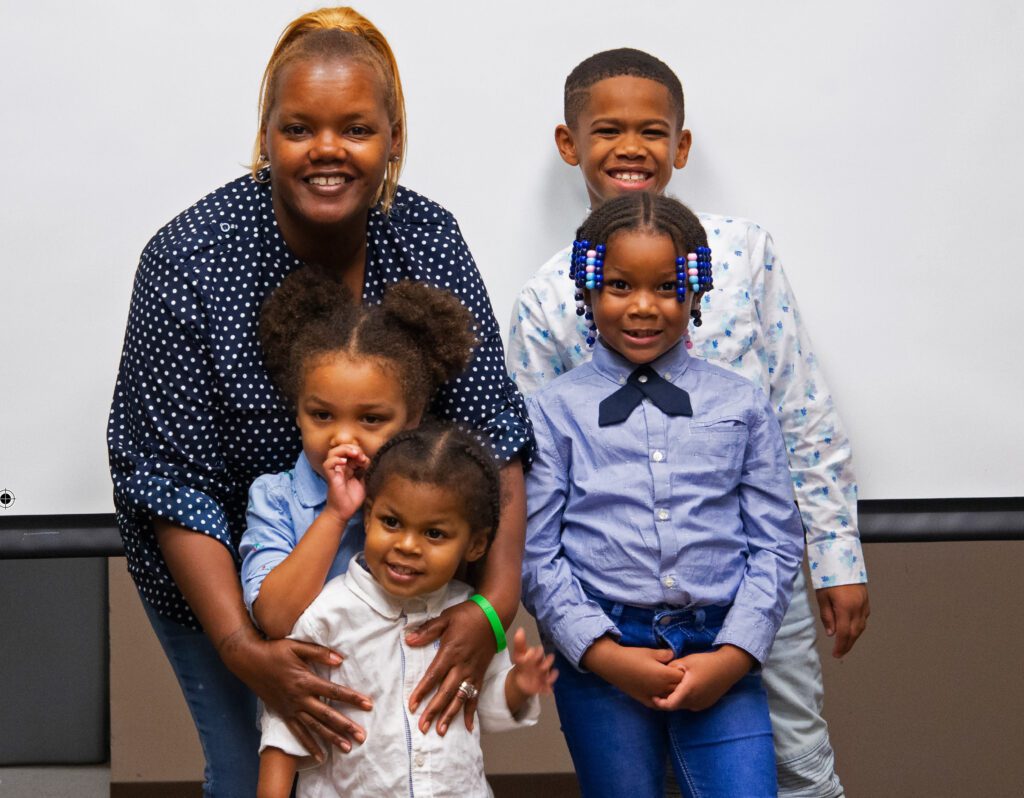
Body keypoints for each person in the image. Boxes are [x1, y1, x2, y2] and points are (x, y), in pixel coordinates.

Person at [107, 8, 531, 796]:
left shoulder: (429, 238)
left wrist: (495, 608)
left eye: (357, 129)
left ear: (394, 138)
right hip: (236, 586)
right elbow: (169, 481)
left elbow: (493, 435)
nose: (328, 150)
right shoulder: (187, 262)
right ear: (265, 136)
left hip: (402, 577)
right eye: (299, 127)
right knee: (252, 774)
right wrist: (244, 648)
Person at [507, 48, 868, 797]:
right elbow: (534, 483)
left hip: (748, 585)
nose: (631, 147)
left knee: (795, 761)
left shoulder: (747, 255)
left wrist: (836, 557)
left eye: (652, 130)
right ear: (569, 144)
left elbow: (804, 413)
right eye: (608, 130)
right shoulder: (546, 300)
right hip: (611, 605)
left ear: (682, 145)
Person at [521, 192, 804, 797]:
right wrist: (600, 653)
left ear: (697, 293)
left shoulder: (742, 404)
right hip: (604, 658)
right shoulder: (552, 411)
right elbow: (535, 552)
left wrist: (732, 657)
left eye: (668, 288)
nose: (644, 307)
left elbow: (777, 545)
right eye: (621, 286)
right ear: (589, 288)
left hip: (721, 649)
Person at [255, 422, 556, 798]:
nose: (407, 545)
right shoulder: (329, 614)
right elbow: (286, 723)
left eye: (434, 533)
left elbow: (482, 709)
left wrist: (518, 687)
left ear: (476, 545)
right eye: (392, 522)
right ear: (367, 518)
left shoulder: (468, 620)